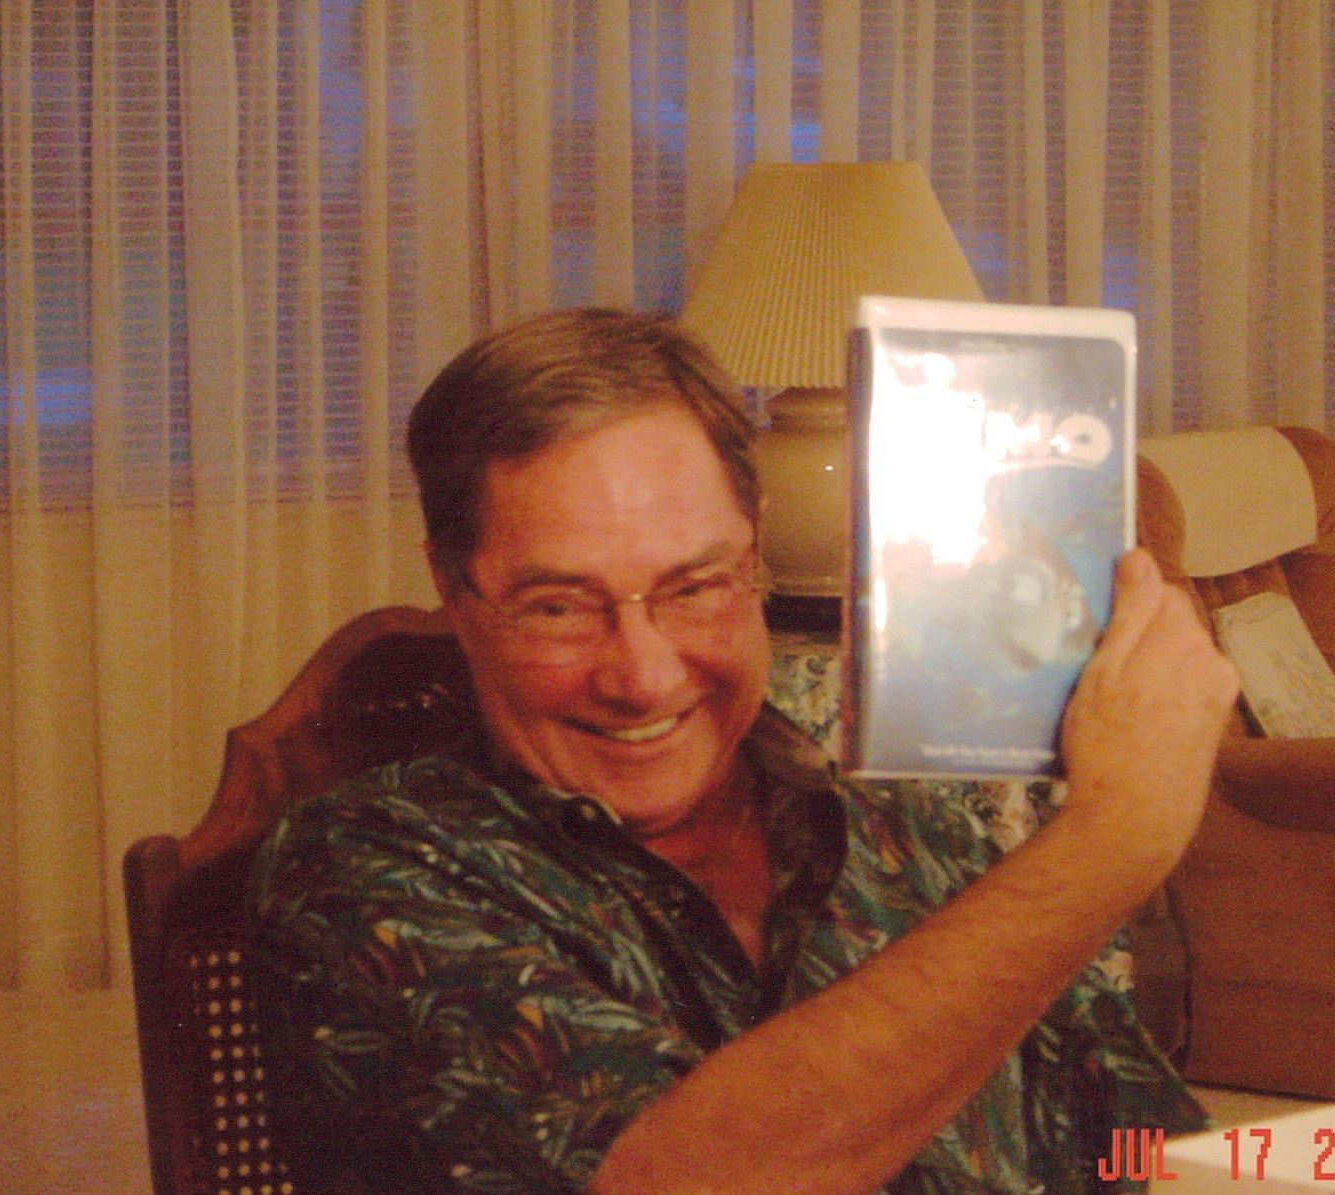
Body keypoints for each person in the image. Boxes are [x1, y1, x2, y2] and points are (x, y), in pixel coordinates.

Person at [251, 308, 1240, 1194]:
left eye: (692, 586)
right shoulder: (368, 869)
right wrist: (1113, 834)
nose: (641, 673)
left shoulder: (898, 812)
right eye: (557, 606)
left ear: (754, 547)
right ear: (454, 594)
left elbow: (1139, 1154)